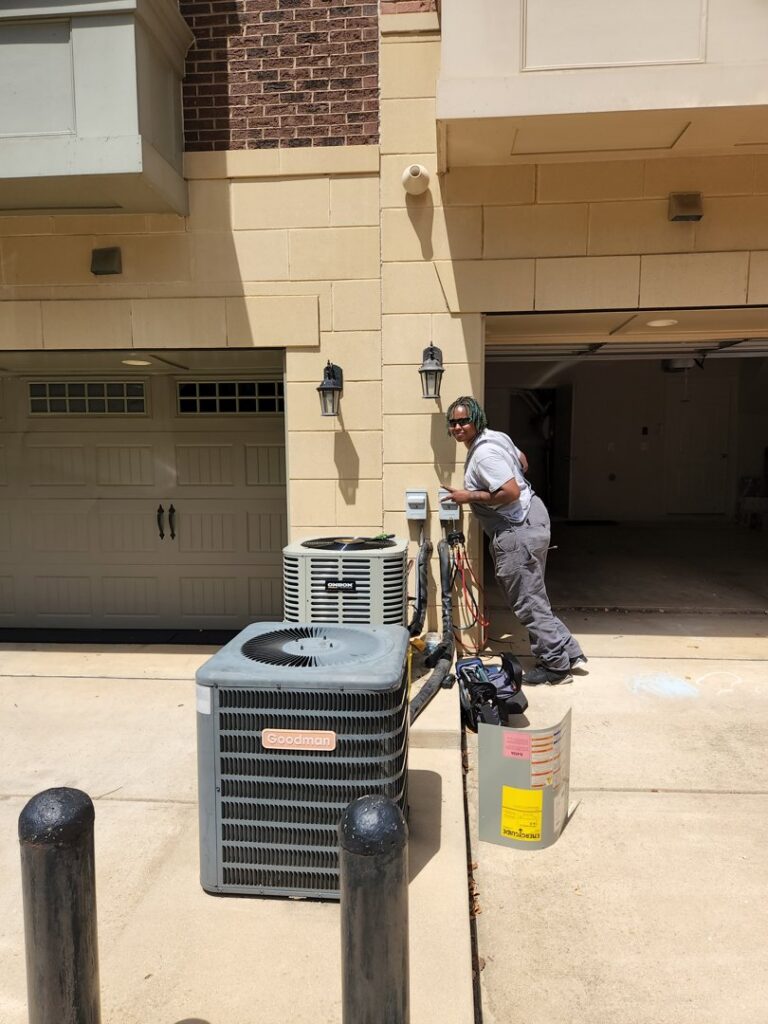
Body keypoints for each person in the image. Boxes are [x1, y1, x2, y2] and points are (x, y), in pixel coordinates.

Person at [441, 396, 586, 685]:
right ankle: (568, 652)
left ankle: (555, 666)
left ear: (476, 420)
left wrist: (467, 495)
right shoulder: (496, 438)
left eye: (463, 421)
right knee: (535, 595)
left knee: (528, 601)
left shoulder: (483, 455)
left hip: (517, 528)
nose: (458, 427)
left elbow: (510, 491)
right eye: (453, 422)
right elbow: (523, 461)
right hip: (534, 517)